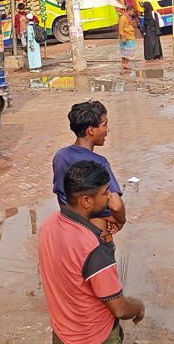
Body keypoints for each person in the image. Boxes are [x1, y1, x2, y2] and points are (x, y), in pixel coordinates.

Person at [39, 161, 145, 344]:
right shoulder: (93, 248)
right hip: (95, 337)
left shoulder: (49, 224)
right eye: (105, 192)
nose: (110, 197)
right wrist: (138, 306)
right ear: (86, 201)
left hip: (62, 333)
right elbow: (119, 308)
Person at [52, 101, 125, 242]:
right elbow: (116, 205)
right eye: (104, 125)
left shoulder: (61, 156)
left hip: (72, 233)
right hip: (98, 236)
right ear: (91, 130)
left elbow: (61, 196)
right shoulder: (99, 162)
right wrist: (119, 221)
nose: (107, 130)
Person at [118, 5, 136, 70]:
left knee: (125, 51)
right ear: (129, 11)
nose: (133, 13)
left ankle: (124, 64)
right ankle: (126, 63)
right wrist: (122, 37)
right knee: (129, 50)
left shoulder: (128, 17)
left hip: (129, 35)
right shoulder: (123, 17)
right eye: (132, 11)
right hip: (126, 36)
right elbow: (121, 28)